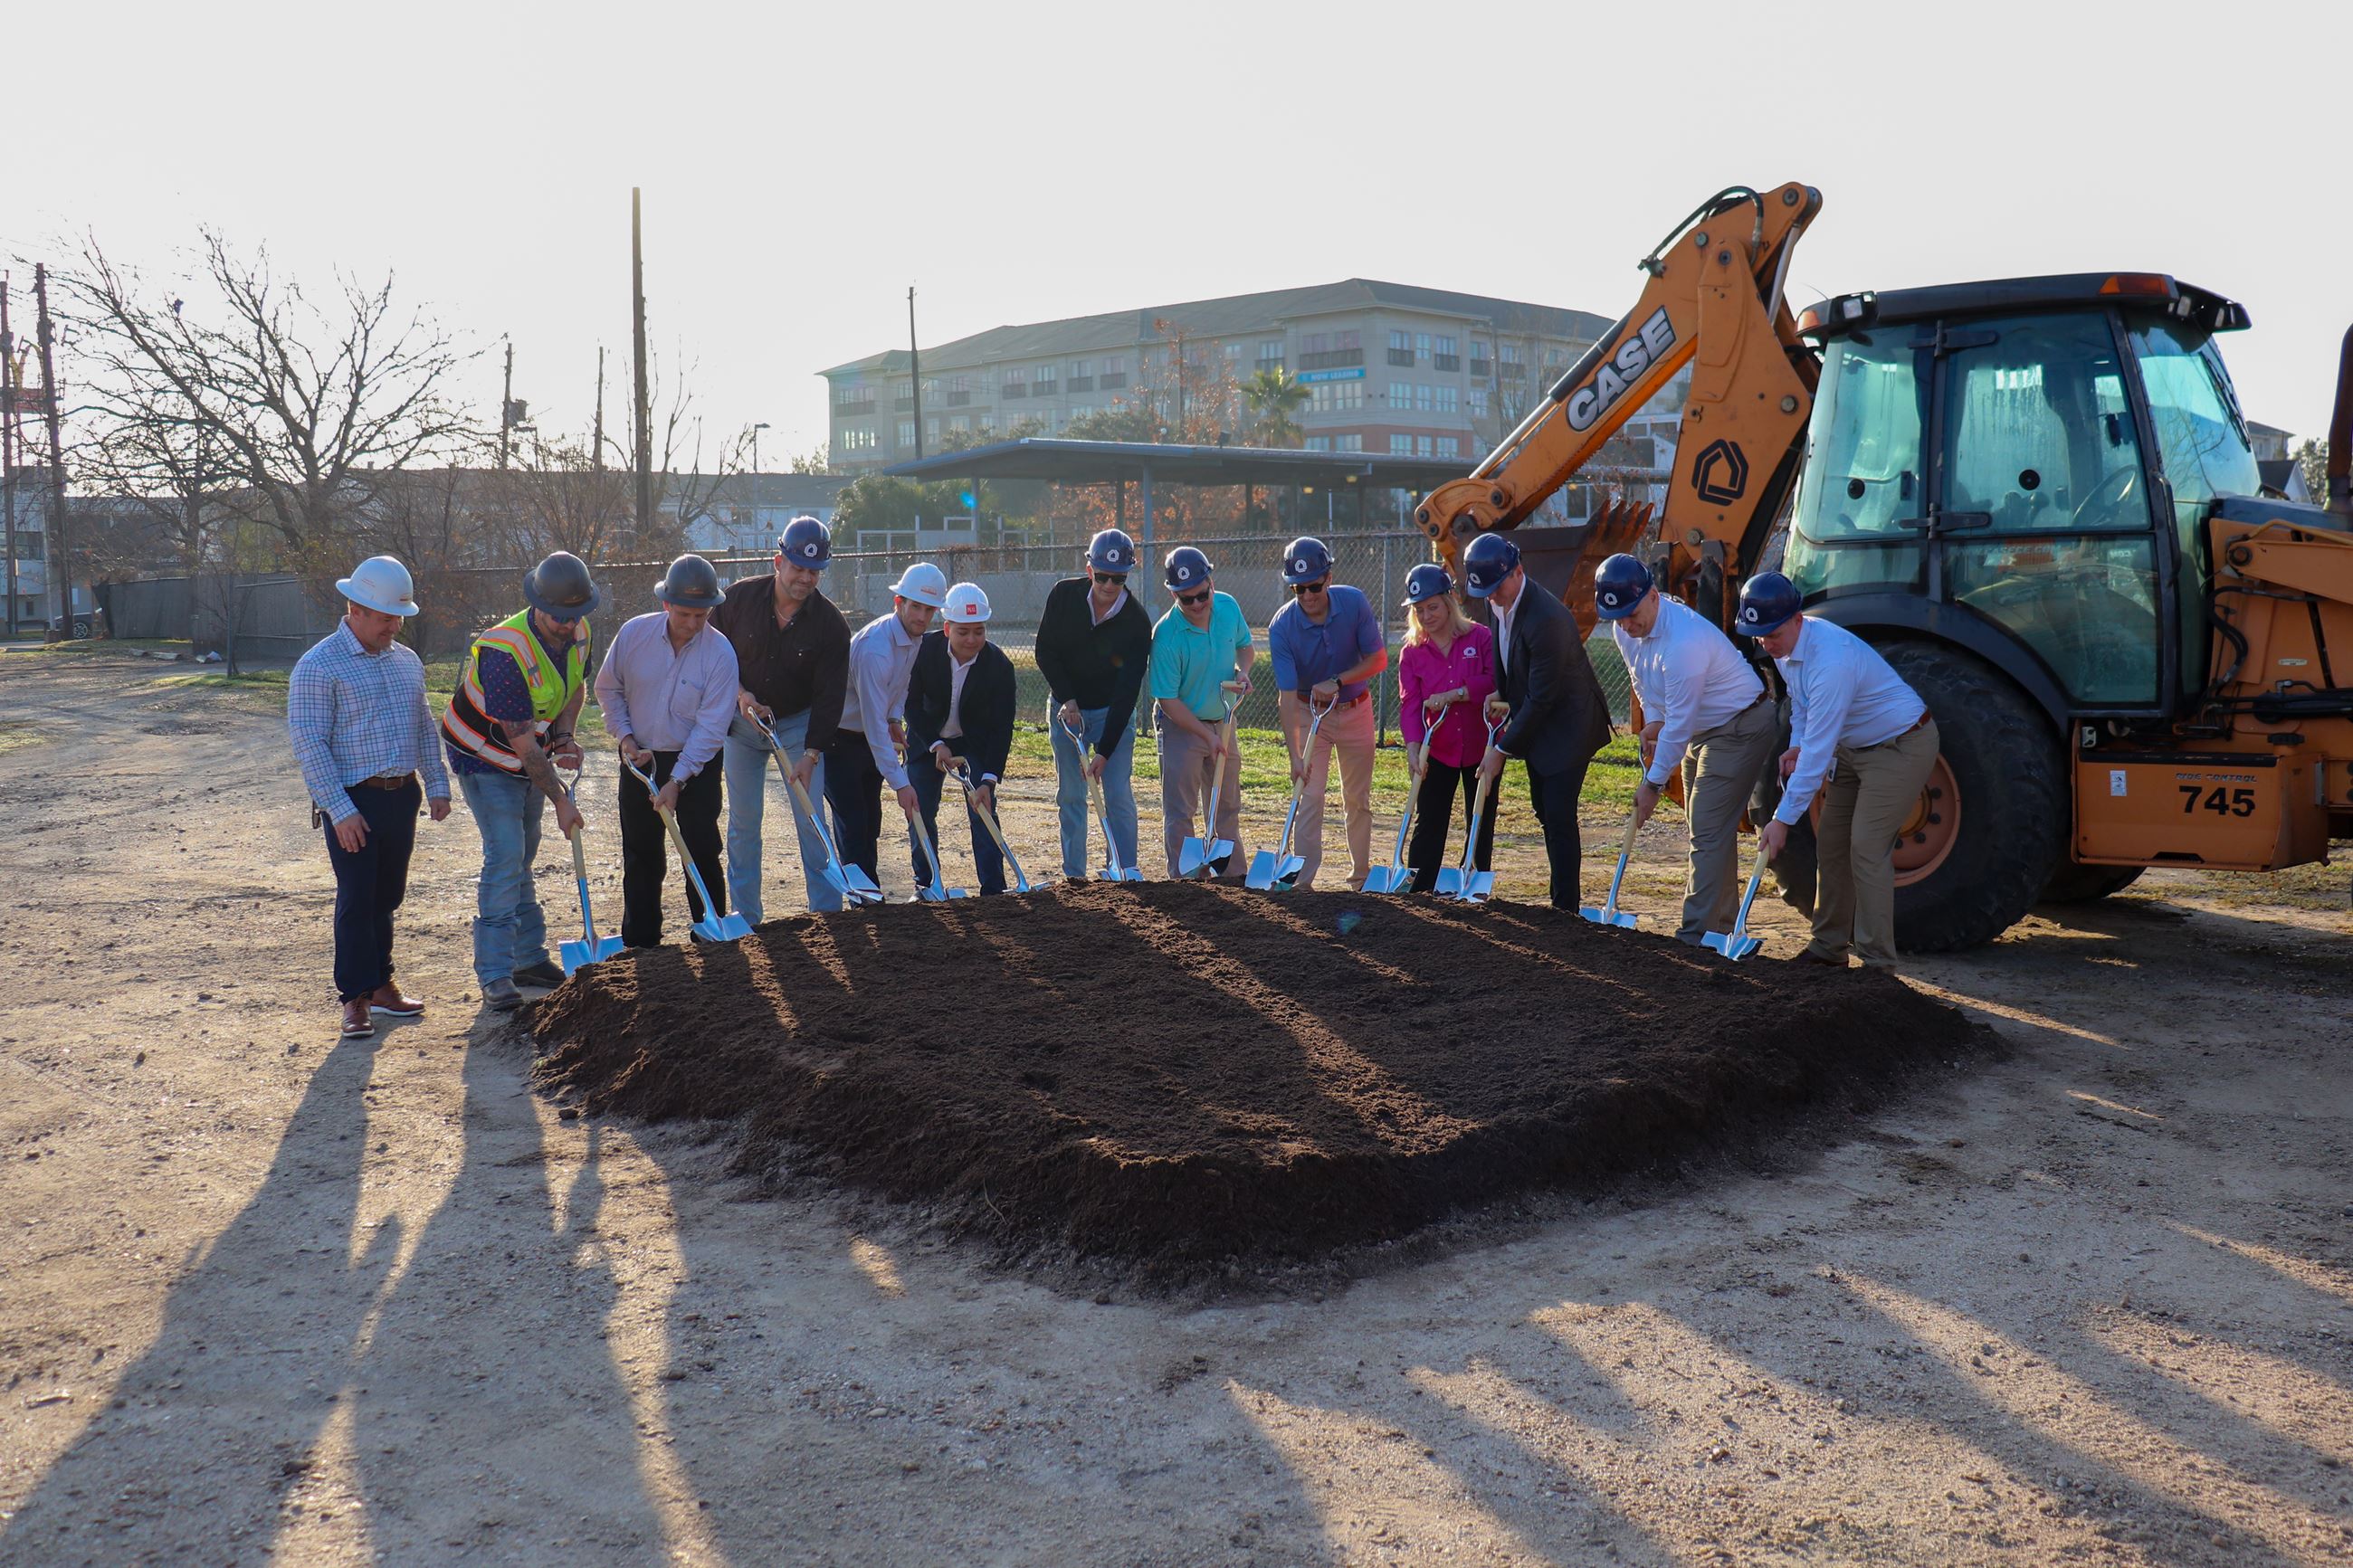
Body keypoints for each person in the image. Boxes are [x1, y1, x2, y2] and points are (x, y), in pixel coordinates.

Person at [287, 556, 454, 1041]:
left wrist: (437, 784)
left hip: (401, 797)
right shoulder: (318, 667)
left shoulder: (406, 662)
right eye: (385, 617)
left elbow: (423, 726)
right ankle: (355, 998)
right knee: (358, 899)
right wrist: (339, 810)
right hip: (352, 802)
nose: (395, 626)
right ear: (355, 609)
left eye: (398, 617)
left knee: (387, 896)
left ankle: (381, 984)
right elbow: (310, 744)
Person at [1735, 572, 1938, 968]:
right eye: (1757, 635)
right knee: (1831, 842)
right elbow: (1802, 706)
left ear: (1797, 619)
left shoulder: (1831, 662)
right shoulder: (1789, 651)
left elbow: (1816, 757)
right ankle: (1827, 948)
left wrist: (1781, 820)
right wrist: (1795, 743)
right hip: (1853, 748)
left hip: (1900, 745)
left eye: (1772, 633)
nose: (1766, 644)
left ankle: (1877, 964)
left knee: (1866, 847)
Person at [440, 550, 595, 1010]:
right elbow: (522, 744)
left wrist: (565, 735)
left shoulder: (579, 629)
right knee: (506, 853)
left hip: (528, 755)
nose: (569, 626)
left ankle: (528, 958)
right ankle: (494, 972)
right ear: (537, 605)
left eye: (575, 617)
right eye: (560, 618)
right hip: (484, 756)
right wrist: (561, 798)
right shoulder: (504, 651)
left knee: (523, 852)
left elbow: (575, 687)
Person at [1597, 553, 1777, 945]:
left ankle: (1693, 936)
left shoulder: (1684, 643)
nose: (1627, 624)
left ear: (1652, 596)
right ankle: (1720, 927)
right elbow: (1642, 681)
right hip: (1703, 728)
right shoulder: (1625, 630)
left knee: (1707, 831)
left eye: (1632, 613)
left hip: (1740, 726)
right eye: (1619, 618)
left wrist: (1653, 785)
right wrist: (1652, 719)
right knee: (1708, 830)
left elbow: (1678, 727)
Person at [593, 555, 740, 946]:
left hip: (696, 761)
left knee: (702, 847)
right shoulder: (633, 635)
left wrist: (677, 780)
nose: (693, 625)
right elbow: (608, 688)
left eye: (702, 616)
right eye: (685, 614)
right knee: (641, 853)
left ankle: (708, 931)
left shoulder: (721, 654)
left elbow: (712, 727)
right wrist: (625, 739)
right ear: (667, 604)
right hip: (640, 758)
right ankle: (641, 942)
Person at [712, 516, 852, 920]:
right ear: (778, 561)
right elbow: (714, 658)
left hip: (797, 728)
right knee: (744, 822)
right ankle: (746, 918)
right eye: (798, 568)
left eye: (815, 571)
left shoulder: (831, 626)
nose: (806, 578)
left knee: (811, 819)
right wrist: (741, 696)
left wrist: (811, 755)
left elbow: (830, 697)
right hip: (741, 726)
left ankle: (826, 915)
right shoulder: (736, 600)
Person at [1464, 532, 1613, 909]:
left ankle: (1566, 909)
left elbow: (1543, 697)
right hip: (1539, 721)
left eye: (1497, 588)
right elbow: (1508, 658)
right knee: (1543, 808)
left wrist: (1501, 749)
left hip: (1570, 725)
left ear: (1517, 571)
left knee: (1559, 813)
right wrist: (1501, 692)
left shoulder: (1547, 618)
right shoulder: (1497, 601)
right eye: (1486, 592)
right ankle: (1560, 901)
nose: (1492, 597)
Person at [1266, 536, 1389, 891]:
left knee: (1357, 797)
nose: (1307, 595)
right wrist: (1294, 756)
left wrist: (1337, 681)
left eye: (1314, 586)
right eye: (1298, 588)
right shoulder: (1282, 627)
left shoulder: (1353, 603)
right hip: (1309, 712)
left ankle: (1361, 879)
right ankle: (1302, 884)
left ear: (1329, 578)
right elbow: (1287, 697)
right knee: (1311, 794)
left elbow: (1378, 659)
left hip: (1355, 709)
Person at [1034, 527, 1152, 879]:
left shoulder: (1136, 622)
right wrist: (1067, 699)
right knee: (1071, 796)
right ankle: (1075, 876)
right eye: (1102, 576)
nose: (1108, 585)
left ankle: (1123, 870)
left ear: (1126, 576)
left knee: (1117, 796)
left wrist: (1104, 750)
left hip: (1110, 715)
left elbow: (1128, 690)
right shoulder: (1063, 596)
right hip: (1065, 712)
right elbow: (1045, 652)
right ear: (1089, 571)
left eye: (1117, 578)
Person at [824, 561, 946, 892]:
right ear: (899, 603)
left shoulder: (912, 638)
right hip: (837, 739)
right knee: (852, 821)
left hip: (866, 737)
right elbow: (873, 724)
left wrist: (895, 717)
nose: (922, 616)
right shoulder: (876, 649)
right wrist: (901, 783)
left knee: (870, 822)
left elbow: (902, 684)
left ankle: (869, 893)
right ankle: (863, 898)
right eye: (916, 607)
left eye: (929, 609)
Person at [905, 583, 1018, 896]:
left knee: (983, 809)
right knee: (920, 810)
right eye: (963, 632)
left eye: (979, 631)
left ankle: (994, 890)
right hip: (927, 740)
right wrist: (935, 744)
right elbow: (910, 704)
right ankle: (927, 885)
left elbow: (1001, 728)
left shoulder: (999, 667)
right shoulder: (922, 653)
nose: (972, 640)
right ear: (946, 628)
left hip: (973, 743)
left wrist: (988, 781)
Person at [1149, 546, 1253, 879]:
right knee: (1181, 808)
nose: (1196, 604)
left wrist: (1243, 671)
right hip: (1181, 724)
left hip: (1223, 717)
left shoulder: (1227, 606)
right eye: (1185, 599)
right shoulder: (1166, 636)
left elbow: (1246, 648)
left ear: (1211, 581)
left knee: (1226, 802)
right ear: (1173, 594)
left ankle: (1233, 878)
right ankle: (1186, 883)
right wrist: (1206, 736)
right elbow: (1168, 701)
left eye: (1201, 595)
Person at [1393, 563, 1497, 893]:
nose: (1426, 615)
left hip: (1483, 745)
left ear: (1450, 600)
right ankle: (1420, 889)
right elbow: (1410, 702)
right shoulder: (1411, 652)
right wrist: (1413, 746)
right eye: (1419, 609)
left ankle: (1474, 883)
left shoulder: (1480, 637)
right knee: (1430, 820)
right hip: (1439, 749)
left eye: (1433, 607)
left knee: (1479, 817)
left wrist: (1458, 693)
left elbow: (1496, 681)